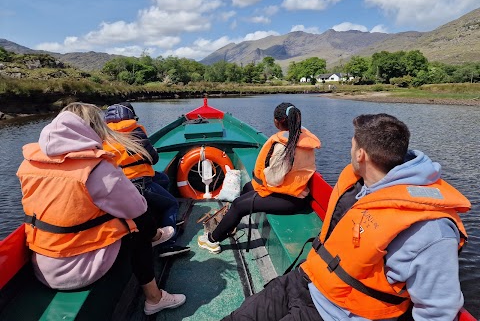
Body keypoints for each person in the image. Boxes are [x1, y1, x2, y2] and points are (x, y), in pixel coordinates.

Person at [221, 113, 471, 321]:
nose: (349, 149)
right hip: (307, 279)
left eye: (351, 144)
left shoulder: (430, 229)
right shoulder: (359, 184)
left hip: (337, 313)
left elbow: (438, 310)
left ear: (361, 154)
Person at [17, 102, 186, 316]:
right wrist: (153, 231)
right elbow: (138, 209)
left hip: (42, 266)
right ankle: (155, 298)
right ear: (95, 129)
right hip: (78, 270)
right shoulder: (96, 167)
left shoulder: (30, 163)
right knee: (138, 227)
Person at [198, 102, 321, 254]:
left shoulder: (284, 147)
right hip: (294, 192)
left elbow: (274, 180)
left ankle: (211, 240)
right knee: (248, 187)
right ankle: (230, 222)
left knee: (238, 205)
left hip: (290, 200)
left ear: (277, 122)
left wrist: (264, 170)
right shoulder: (301, 136)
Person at [103, 102, 189, 258]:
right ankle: (167, 245)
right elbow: (153, 159)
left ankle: (163, 221)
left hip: (120, 183)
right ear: (131, 116)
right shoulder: (135, 131)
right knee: (171, 204)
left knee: (162, 178)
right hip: (140, 182)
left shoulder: (103, 135)